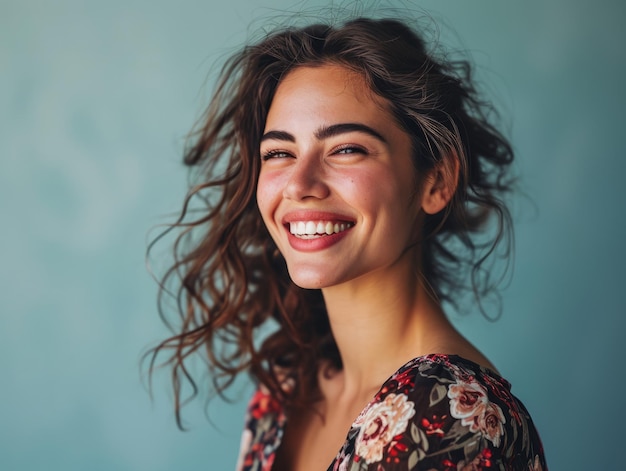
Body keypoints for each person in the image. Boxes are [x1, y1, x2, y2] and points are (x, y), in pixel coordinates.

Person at [149, 14, 547, 471]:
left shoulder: (456, 421)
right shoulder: (285, 392)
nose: (299, 184)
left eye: (346, 149)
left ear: (437, 180)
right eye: (279, 152)